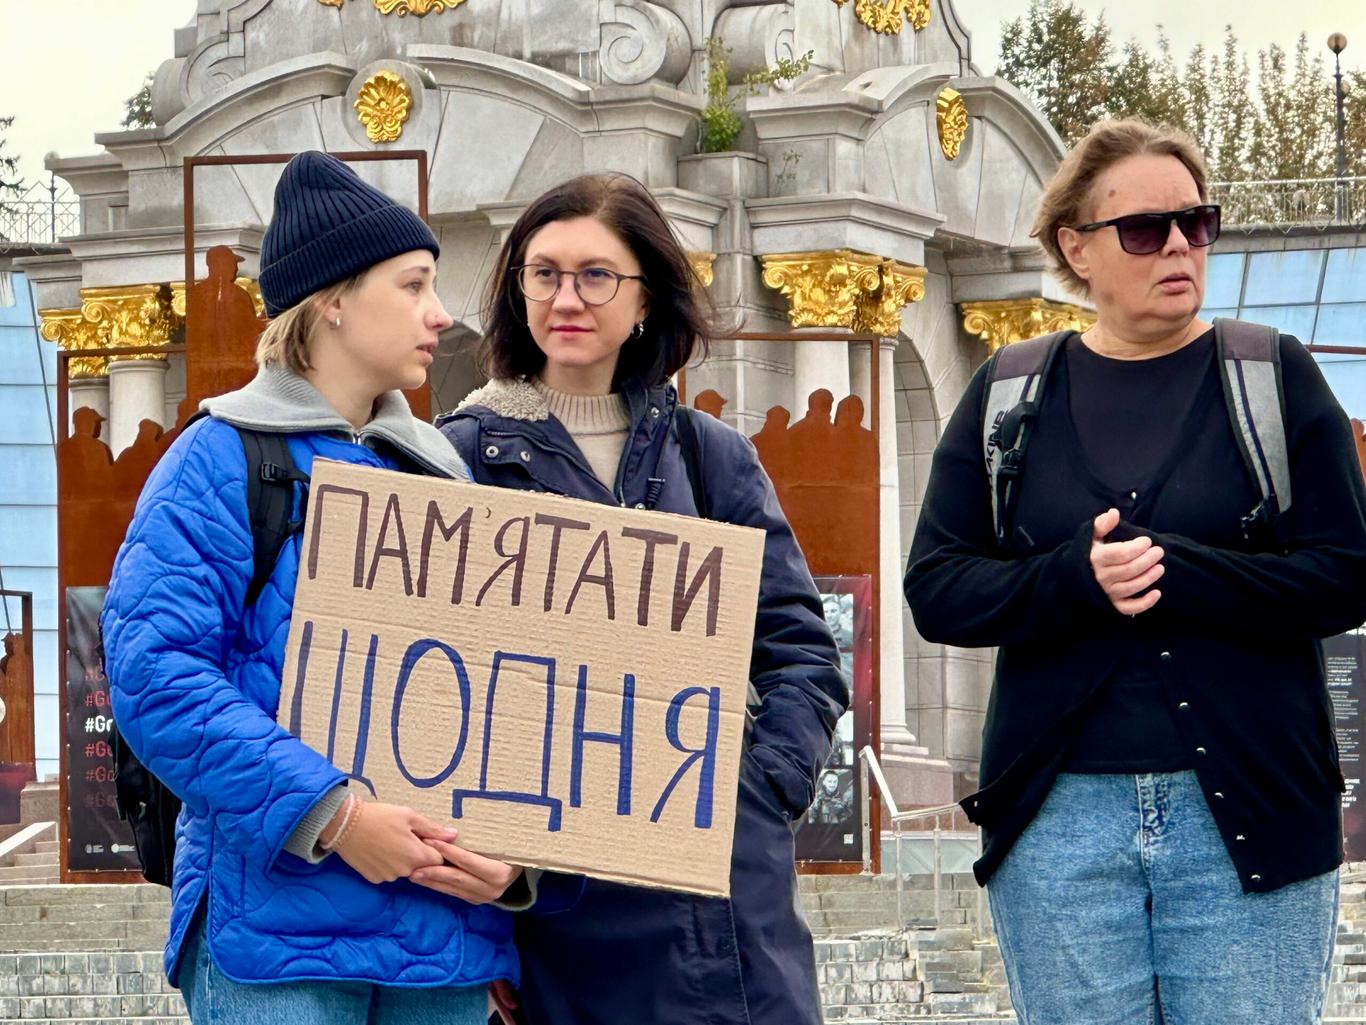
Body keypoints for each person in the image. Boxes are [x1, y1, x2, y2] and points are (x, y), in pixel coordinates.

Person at [904, 118, 1366, 1025]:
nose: (1180, 248)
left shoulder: (1273, 375)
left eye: (1197, 223)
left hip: (1250, 814)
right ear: (1076, 246)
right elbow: (938, 587)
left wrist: (1182, 571)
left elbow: (1347, 577)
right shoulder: (1009, 390)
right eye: (1147, 230)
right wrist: (1073, 579)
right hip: (1059, 822)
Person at [101, 151, 523, 1025]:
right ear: (333, 299)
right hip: (277, 937)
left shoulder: (448, 481)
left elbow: (508, 697)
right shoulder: (218, 461)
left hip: (440, 933)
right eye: (412, 286)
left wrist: (517, 864)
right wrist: (331, 814)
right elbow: (156, 675)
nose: (441, 315)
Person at [436, 171, 848, 1025]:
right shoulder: (460, 460)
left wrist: (758, 787)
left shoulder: (709, 455)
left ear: (646, 300)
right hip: (562, 906)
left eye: (596, 275)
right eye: (543, 273)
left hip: (726, 896)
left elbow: (801, 649)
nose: (567, 297)